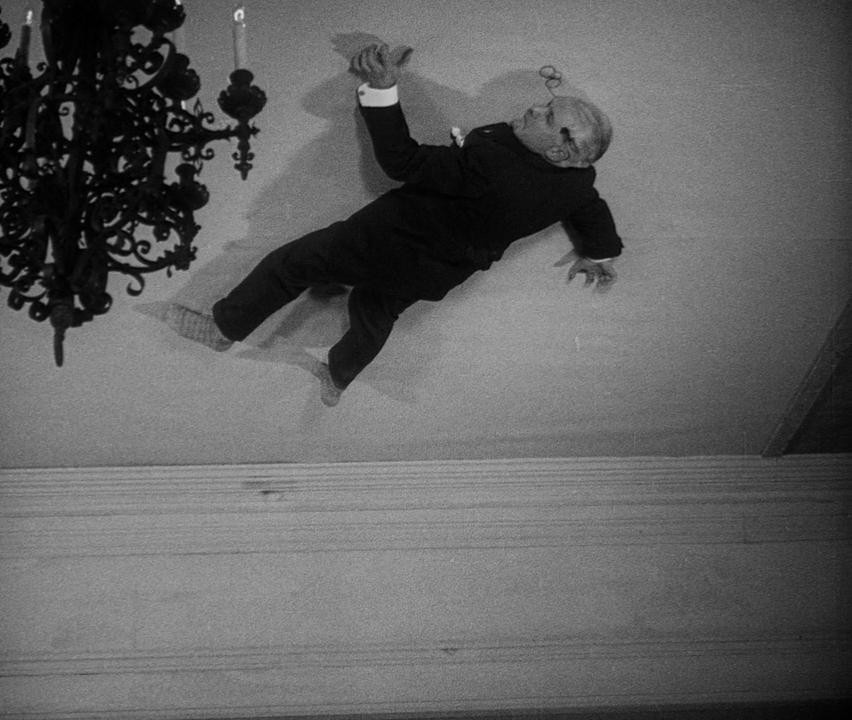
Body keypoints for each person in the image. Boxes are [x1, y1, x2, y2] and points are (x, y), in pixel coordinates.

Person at [165, 43, 623, 406]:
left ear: (559, 150)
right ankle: (339, 375)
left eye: (548, 117)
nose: (535, 109)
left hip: (384, 243)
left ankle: (225, 328)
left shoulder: (490, 164)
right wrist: (600, 253)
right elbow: (591, 208)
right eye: (545, 104)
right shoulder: (576, 183)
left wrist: (384, 89)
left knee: (292, 264)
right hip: (437, 273)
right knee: (374, 312)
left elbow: (402, 160)